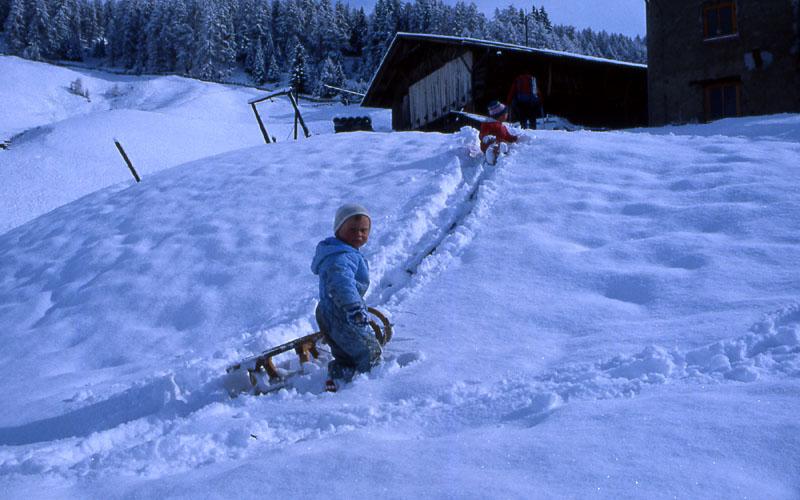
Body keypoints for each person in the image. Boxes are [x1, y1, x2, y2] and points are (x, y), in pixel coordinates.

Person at [311, 203, 381, 392]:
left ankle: (338, 374)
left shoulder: (338, 251)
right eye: (352, 230)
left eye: (363, 230)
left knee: (344, 350)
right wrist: (353, 308)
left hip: (327, 309)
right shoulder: (341, 257)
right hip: (342, 311)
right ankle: (372, 381)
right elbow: (341, 284)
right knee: (368, 349)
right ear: (338, 229)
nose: (358, 235)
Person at [479, 101, 518, 165]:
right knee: (493, 146)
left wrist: (515, 138)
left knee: (502, 144)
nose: (507, 114)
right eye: (506, 113)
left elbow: (507, 136)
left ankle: (500, 154)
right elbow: (483, 133)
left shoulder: (502, 126)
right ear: (500, 116)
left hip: (500, 143)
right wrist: (485, 137)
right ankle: (490, 156)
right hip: (489, 144)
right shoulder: (488, 124)